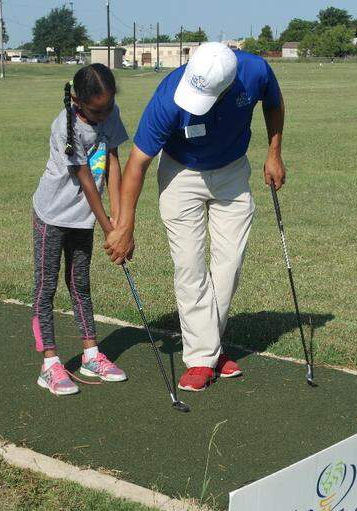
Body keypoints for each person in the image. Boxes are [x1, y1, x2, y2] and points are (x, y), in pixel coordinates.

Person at [104, 42, 286, 393]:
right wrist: (125, 225)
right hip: (180, 173)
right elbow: (137, 163)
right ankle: (203, 358)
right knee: (190, 265)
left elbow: (275, 103)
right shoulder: (170, 95)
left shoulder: (255, 71)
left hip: (232, 171)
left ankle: (208, 349)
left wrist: (274, 152)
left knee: (229, 266)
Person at [31, 64, 129, 396]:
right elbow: (87, 180)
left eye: (108, 108)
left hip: (84, 217)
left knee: (80, 283)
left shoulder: (109, 113)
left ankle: (90, 355)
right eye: (96, 110)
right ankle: (50, 364)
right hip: (52, 214)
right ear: (77, 100)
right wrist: (108, 229)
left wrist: (118, 219)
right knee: (46, 286)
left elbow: (113, 161)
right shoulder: (66, 127)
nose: (103, 116)